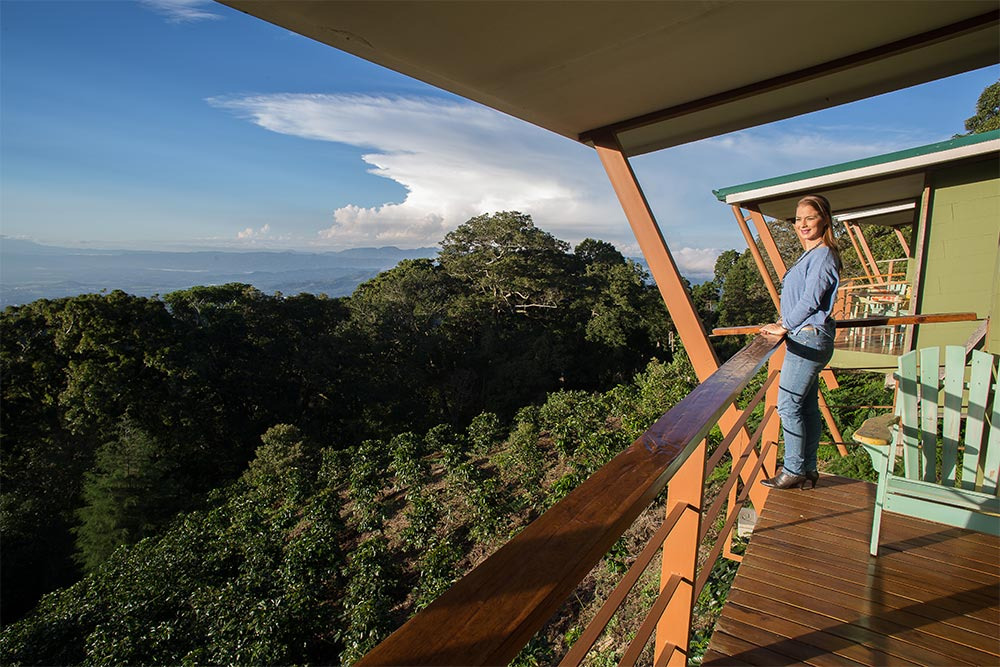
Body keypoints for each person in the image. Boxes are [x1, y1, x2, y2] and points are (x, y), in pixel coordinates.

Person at [759, 194, 842, 489]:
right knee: (806, 407)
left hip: (808, 338)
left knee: (787, 406)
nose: (803, 224)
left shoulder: (824, 255)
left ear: (825, 219)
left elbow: (810, 300)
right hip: (806, 337)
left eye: (810, 217)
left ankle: (793, 469)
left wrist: (783, 326)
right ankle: (808, 468)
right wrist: (784, 323)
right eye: (798, 219)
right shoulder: (812, 254)